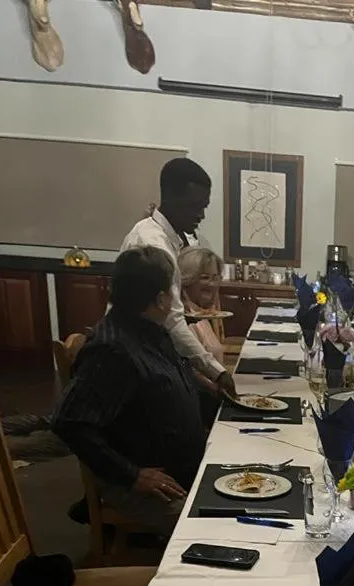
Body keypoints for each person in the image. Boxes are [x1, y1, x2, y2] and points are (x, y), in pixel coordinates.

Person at [53, 246, 208, 533]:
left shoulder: (149, 331)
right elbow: (69, 422)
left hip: (183, 468)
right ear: (161, 299)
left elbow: (180, 380)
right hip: (148, 483)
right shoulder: (113, 351)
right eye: (172, 292)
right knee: (218, 527)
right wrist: (133, 475)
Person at [120, 157, 236, 397]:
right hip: (135, 362)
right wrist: (218, 372)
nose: (202, 215)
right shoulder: (155, 245)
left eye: (204, 206)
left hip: (151, 353)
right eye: (195, 206)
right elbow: (170, 322)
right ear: (171, 197)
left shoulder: (159, 234)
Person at [177, 246, 225, 366]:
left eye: (215, 277)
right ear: (186, 281)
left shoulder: (200, 314)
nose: (212, 283)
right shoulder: (181, 320)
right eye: (205, 277)